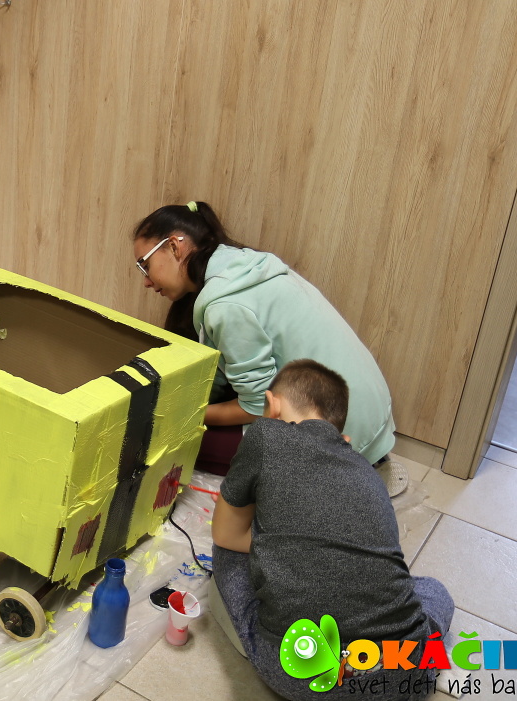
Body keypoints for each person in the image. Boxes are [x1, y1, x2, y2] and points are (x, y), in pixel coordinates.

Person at [211, 360, 453, 701]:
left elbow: (225, 535)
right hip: (405, 675)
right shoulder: (367, 470)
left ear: (273, 406)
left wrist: (277, 543)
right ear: (342, 436)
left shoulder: (266, 434)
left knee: (226, 554)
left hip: (301, 674)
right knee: (432, 590)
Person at [132, 201, 402, 490]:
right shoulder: (246, 266)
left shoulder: (226, 306)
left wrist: (187, 413)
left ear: (175, 247)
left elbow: (255, 406)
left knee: (168, 436)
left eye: (144, 265)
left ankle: (344, 475)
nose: (146, 282)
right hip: (370, 415)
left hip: (342, 438)